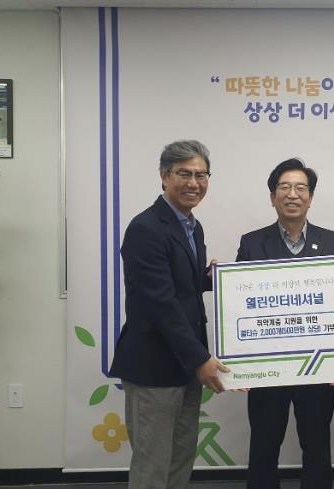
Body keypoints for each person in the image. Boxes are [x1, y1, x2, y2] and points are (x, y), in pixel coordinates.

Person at [109, 140, 229, 489]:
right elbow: (159, 302)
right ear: (164, 177)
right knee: (153, 464)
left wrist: (211, 279)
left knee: (180, 457)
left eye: (201, 175)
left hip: (184, 365)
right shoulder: (146, 228)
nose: (194, 183)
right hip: (155, 366)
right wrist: (200, 358)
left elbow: (179, 286)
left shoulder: (192, 226)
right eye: (184, 174)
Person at [236, 158, 334, 489]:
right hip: (267, 369)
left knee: (317, 446)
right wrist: (241, 363)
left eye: (301, 188)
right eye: (284, 187)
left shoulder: (333, 242)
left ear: (310, 197)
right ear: (273, 197)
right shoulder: (251, 243)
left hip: (317, 367)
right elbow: (241, 306)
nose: (292, 194)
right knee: (263, 446)